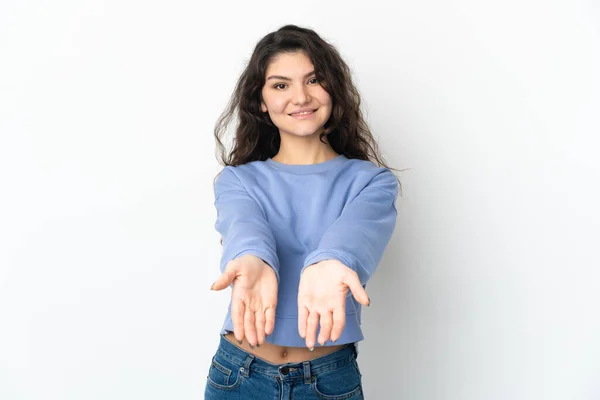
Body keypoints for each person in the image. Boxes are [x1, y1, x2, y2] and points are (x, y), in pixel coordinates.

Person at [205, 24, 400, 400]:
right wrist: (250, 256)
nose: (300, 97)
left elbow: (354, 235)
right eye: (280, 85)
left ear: (333, 89)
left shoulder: (372, 182)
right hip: (238, 375)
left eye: (313, 80)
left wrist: (331, 261)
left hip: (327, 380)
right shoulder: (237, 180)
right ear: (260, 101)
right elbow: (244, 225)